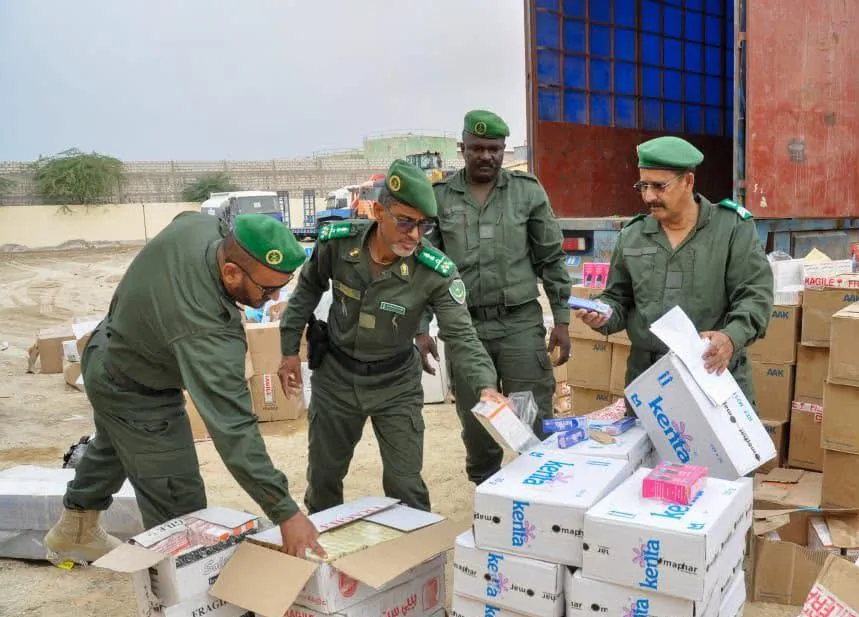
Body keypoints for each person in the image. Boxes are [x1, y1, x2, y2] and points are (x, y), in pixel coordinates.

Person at [45, 212, 324, 564]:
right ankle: (176, 586)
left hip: (108, 350)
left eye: (282, 286)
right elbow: (233, 428)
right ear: (231, 272)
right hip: (136, 387)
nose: (275, 297)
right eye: (267, 289)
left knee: (116, 443)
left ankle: (75, 530)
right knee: (179, 503)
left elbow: (183, 218)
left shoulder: (200, 227)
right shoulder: (206, 329)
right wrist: (286, 512)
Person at [278, 160, 502, 513]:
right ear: (379, 212)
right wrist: (289, 349)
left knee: (405, 485)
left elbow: (462, 336)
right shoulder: (339, 245)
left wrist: (486, 385)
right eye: (405, 222)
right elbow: (307, 288)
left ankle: (417, 549)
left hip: (395, 385)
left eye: (424, 225)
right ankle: (324, 548)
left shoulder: (435, 271)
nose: (414, 235)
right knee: (323, 480)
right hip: (336, 380)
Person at [416, 109, 573, 485]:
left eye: (494, 149)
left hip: (520, 325)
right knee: (477, 424)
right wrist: (421, 327)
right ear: (463, 148)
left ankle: (538, 494)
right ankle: (487, 495)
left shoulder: (527, 192)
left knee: (532, 419)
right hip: (465, 329)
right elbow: (426, 269)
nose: (486, 156)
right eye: (477, 148)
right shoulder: (440, 198)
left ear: (504, 149)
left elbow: (551, 258)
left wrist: (562, 320)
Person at [577, 136, 774, 405]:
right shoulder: (633, 236)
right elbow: (618, 299)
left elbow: (755, 296)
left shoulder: (731, 229)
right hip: (650, 383)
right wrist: (603, 315)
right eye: (643, 186)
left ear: (688, 182)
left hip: (712, 376)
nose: (649, 196)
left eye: (659, 186)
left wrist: (731, 337)